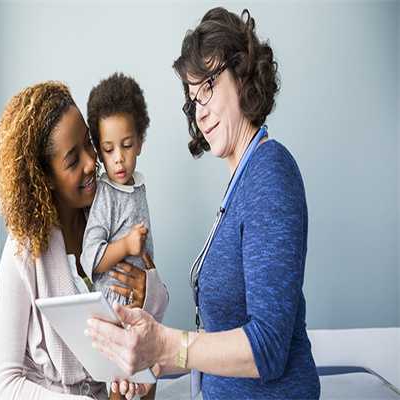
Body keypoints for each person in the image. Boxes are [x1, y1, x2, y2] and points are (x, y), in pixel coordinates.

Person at [86, 7, 321, 400]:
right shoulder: (242, 182)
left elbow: (267, 347)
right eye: (193, 98)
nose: (201, 110)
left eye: (208, 85)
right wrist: (153, 359)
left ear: (243, 74)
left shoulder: (269, 173)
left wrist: (166, 344)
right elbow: (222, 337)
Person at [0, 81, 169, 400]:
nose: (90, 163)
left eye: (89, 144)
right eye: (73, 160)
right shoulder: (24, 250)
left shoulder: (110, 214)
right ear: (45, 177)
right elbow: (2, 385)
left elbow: (149, 319)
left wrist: (147, 291)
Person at [81, 72, 154, 310]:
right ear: (99, 152)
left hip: (138, 302)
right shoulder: (106, 194)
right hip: (112, 307)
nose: (119, 158)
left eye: (127, 145)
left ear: (140, 142)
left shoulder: (137, 187)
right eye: (109, 149)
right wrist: (126, 246)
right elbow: (90, 257)